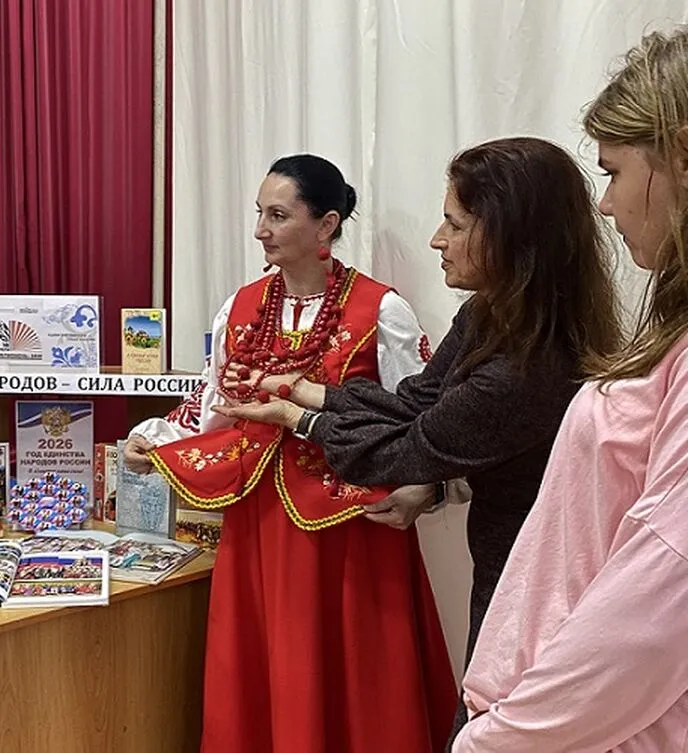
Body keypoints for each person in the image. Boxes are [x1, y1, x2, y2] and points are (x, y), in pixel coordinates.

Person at [213, 137, 622, 745]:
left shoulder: (518, 361)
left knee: (483, 722)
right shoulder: (489, 315)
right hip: (480, 557)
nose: (437, 239)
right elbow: (415, 401)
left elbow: (411, 447)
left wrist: (298, 418)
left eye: (454, 224)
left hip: (532, 578)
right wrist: (307, 392)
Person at [124, 154, 457, 753]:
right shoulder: (241, 307)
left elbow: (420, 418)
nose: (261, 230)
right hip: (259, 521)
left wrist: (426, 487)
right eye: (260, 214)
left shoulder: (380, 311)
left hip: (352, 530)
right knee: (265, 664)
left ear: (326, 224)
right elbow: (213, 404)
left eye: (278, 215)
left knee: (356, 671)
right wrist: (160, 437)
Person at [453, 29, 688, 751]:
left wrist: (502, 738)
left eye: (615, 173)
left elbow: (662, 595)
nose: (607, 205)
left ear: (681, 158)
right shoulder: (668, 331)